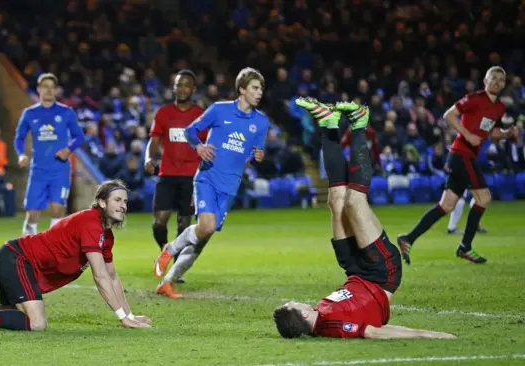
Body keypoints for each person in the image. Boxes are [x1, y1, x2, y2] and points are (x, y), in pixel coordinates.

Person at [273, 99, 454, 340]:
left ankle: (328, 124)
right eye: (291, 304)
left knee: (336, 200)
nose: (295, 301)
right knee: (354, 202)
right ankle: (359, 123)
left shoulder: (319, 312)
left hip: (354, 270)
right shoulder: (333, 326)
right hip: (381, 274)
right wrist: (429, 335)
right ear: (303, 315)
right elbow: (375, 333)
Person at [0, 180, 152, 333]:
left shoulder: (106, 236)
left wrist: (130, 315)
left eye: (126, 202)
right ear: (101, 202)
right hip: (18, 259)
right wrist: (122, 319)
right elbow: (99, 276)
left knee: (7, 314)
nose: (123, 206)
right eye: (117, 200)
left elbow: (112, 276)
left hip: (16, 258)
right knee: (36, 323)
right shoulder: (90, 222)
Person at [152, 67, 269, 298]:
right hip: (207, 178)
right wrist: (199, 146)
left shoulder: (261, 122)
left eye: (261, 89)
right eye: (255, 88)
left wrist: (257, 158)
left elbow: (254, 155)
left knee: (203, 237)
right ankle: (171, 249)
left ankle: (168, 282)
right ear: (242, 89)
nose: (259, 93)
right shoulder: (219, 110)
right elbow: (190, 131)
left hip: (231, 186)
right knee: (205, 227)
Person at [398, 66, 518, 264]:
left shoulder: (499, 108)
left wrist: (505, 134)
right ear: (485, 81)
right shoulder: (474, 98)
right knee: (484, 197)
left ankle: (407, 239)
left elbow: (489, 131)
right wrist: (467, 134)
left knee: (446, 205)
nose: (497, 82)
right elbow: (449, 115)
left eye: (501, 80)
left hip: (467, 156)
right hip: (461, 154)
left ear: (504, 84)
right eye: (493, 78)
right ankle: (465, 247)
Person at [144, 70, 207, 271]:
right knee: (159, 222)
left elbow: (210, 143)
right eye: (179, 84)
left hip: (192, 177)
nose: (182, 89)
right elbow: (154, 140)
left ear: (193, 89)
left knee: (183, 223)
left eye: (187, 85)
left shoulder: (200, 116)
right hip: (167, 174)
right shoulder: (163, 113)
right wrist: (149, 157)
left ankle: (174, 268)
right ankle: (165, 249)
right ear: (173, 88)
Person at [14, 73, 85, 236]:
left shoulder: (66, 112)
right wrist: (21, 155)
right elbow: (19, 137)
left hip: (60, 170)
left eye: (52, 87)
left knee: (57, 211)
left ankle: (55, 251)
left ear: (56, 90)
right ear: (39, 89)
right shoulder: (30, 113)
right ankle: (28, 249)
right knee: (32, 214)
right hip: (38, 170)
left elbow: (79, 136)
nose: (49, 90)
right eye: (45, 87)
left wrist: (68, 149)